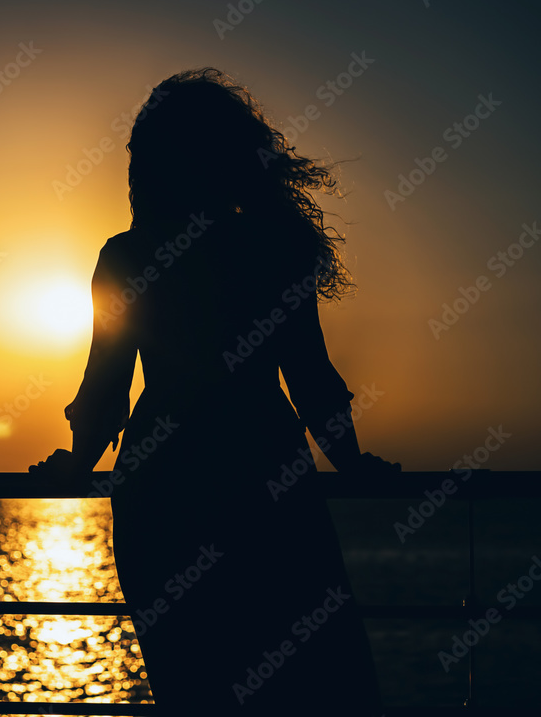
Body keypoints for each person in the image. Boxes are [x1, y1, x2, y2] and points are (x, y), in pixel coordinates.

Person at [30, 68, 401, 715]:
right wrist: (353, 462)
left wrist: (78, 462)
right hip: (264, 474)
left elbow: (106, 390)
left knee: (194, 682)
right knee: (307, 679)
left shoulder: (128, 256)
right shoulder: (274, 248)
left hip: (163, 488)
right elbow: (310, 377)